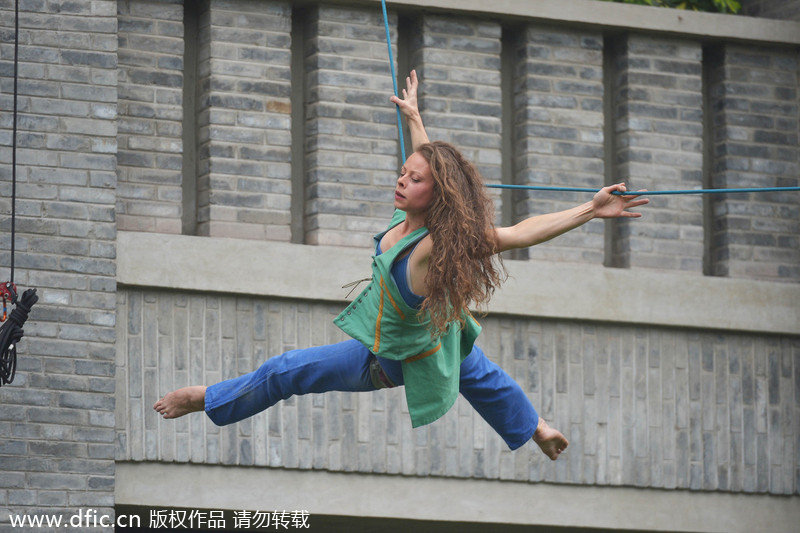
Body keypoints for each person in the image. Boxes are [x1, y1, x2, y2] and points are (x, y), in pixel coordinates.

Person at [154, 70, 648, 460]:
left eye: (413, 180)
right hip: (437, 335)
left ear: (434, 196)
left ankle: (207, 399)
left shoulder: (432, 247)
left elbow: (519, 233)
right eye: (402, 173)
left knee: (286, 371)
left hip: (387, 359)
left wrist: (591, 209)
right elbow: (429, 162)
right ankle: (538, 428)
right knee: (477, 369)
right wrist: (414, 116)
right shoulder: (404, 218)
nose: (401, 181)